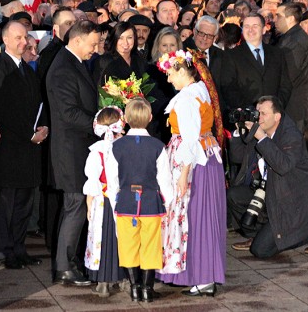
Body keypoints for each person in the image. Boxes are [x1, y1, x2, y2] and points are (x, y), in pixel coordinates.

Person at [155, 50, 226, 297]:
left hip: (195, 164)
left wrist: (184, 174)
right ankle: (203, 275)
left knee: (194, 218)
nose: (168, 79)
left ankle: (202, 277)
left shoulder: (187, 98)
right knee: (202, 217)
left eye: (170, 73)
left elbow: (189, 139)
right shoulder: (200, 90)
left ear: (182, 70)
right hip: (207, 160)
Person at [227, 96, 308, 257]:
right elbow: (238, 157)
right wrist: (239, 132)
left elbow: (283, 166)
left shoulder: (291, 135)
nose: (258, 117)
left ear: (277, 116)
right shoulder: (262, 129)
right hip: (269, 194)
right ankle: (257, 235)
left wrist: (262, 138)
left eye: (263, 113)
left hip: (291, 203)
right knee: (233, 195)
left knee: (260, 251)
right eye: (257, 112)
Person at [0, 21, 47, 269]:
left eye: (25, 38)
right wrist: (27, 134)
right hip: (9, 147)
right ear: (5, 40)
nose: (24, 42)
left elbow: (39, 104)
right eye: (18, 38)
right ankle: (5, 249)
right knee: (8, 200)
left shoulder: (28, 70)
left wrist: (43, 127)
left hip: (29, 146)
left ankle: (19, 248)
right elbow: (0, 109)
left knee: (25, 200)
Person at [47, 20, 100, 286]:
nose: (95, 49)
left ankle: (69, 261)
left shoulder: (74, 63)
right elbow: (67, 112)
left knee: (77, 205)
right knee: (75, 205)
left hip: (78, 148)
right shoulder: (63, 68)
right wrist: (98, 123)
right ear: (77, 40)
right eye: (92, 44)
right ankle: (64, 267)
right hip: (70, 151)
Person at [106, 97, 172, 302]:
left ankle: (135, 288)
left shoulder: (115, 146)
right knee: (151, 245)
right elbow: (165, 180)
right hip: (151, 204)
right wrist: (168, 203)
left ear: (124, 119)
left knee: (128, 246)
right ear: (151, 118)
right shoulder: (158, 146)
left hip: (125, 203)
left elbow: (112, 180)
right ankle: (147, 289)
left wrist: (114, 204)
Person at [83, 106, 126, 297]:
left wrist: (88, 205)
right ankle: (125, 278)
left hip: (103, 201)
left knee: (102, 239)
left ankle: (103, 282)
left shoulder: (96, 151)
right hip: (123, 201)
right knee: (122, 239)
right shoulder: (126, 148)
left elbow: (92, 181)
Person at [221, 12, 291, 127]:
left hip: (274, 121)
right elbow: (229, 88)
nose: (250, 30)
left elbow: (286, 85)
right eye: (246, 26)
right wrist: (250, 112)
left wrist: (275, 109)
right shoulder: (231, 56)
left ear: (264, 30)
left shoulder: (277, 53)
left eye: (255, 26)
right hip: (246, 121)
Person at [274, 2, 308, 134]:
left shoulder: (294, 42)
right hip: (293, 106)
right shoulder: (290, 38)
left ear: (290, 18)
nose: (275, 20)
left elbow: (288, 76)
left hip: (293, 108)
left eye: (278, 16)